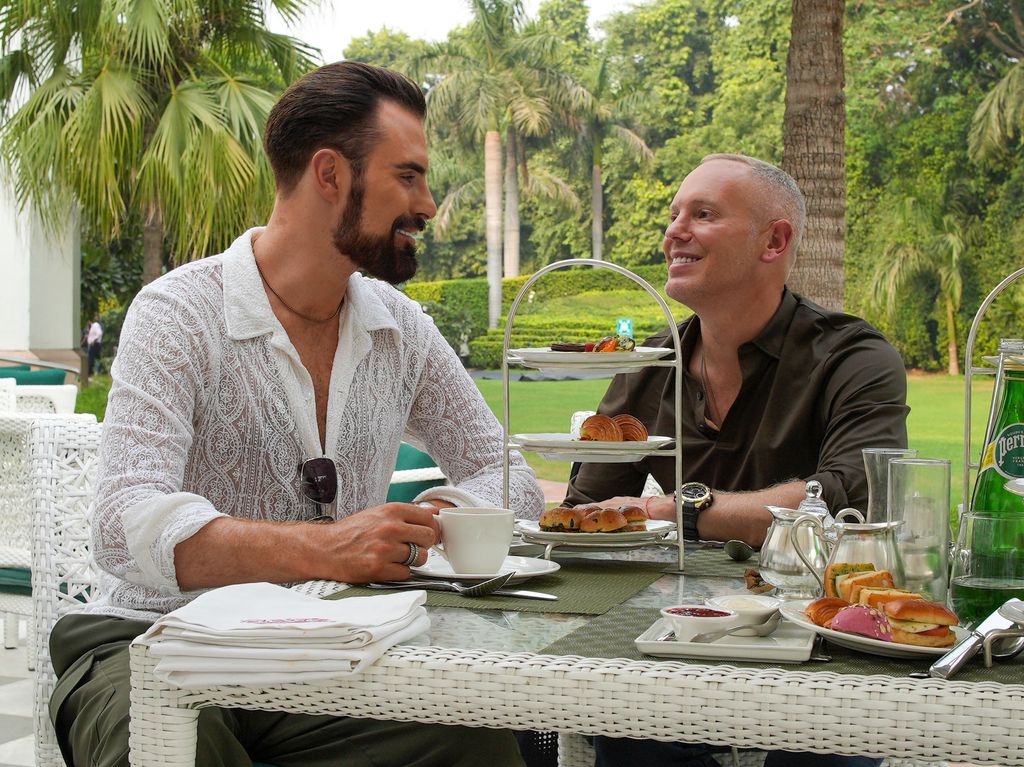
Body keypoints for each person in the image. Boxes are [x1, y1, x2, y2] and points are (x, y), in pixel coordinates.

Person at [48, 61, 543, 767]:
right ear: (330, 174)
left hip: (327, 649)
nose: (429, 204)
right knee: (174, 744)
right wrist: (327, 547)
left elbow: (507, 473)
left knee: (480, 738)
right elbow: (122, 523)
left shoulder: (401, 329)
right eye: (408, 176)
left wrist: (431, 521)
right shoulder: (178, 313)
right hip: (147, 639)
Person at [565, 154, 908, 767]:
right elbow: (586, 514)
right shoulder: (653, 365)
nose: (674, 232)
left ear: (774, 241)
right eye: (674, 215)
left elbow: (850, 496)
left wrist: (676, 510)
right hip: (677, 636)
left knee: (831, 748)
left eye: (703, 214)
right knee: (623, 725)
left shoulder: (851, 356)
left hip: (818, 638)